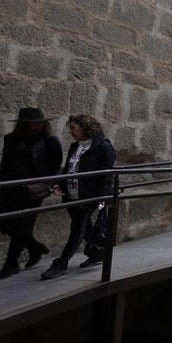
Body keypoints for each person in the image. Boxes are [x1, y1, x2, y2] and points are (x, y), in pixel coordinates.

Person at [41, 114, 117, 280]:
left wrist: (104, 197)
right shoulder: (76, 146)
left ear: (85, 127)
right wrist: (59, 184)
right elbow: (70, 169)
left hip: (89, 195)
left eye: (73, 128)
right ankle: (97, 252)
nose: (71, 132)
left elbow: (107, 174)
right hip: (72, 194)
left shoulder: (103, 146)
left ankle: (62, 262)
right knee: (84, 227)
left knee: (78, 227)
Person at [0, 108, 63, 280]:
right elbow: (5, 162)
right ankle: (35, 248)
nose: (39, 125)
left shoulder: (49, 141)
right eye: (35, 122)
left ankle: (10, 264)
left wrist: (46, 185)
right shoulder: (11, 139)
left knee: (21, 226)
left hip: (32, 189)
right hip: (11, 186)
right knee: (4, 221)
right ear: (24, 124)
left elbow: (56, 164)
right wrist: (3, 183)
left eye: (41, 122)